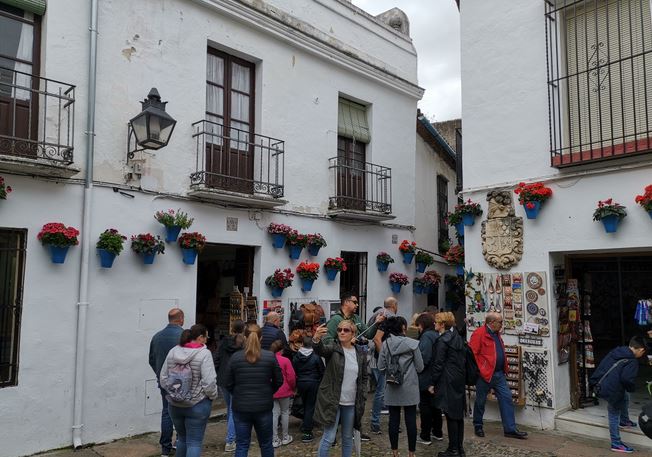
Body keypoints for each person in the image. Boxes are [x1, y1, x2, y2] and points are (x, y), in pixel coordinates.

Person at [225, 323, 283, 457]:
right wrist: (269, 392)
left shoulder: (236, 357)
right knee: (266, 444)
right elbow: (279, 380)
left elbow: (228, 382)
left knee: (242, 445)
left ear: (244, 338)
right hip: (263, 406)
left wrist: (237, 393)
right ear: (261, 338)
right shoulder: (269, 357)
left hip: (241, 406)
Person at [159, 324, 218, 457]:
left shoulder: (173, 351)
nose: (207, 340)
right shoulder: (204, 353)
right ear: (200, 337)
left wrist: (172, 392)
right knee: (194, 442)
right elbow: (209, 382)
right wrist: (212, 396)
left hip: (174, 404)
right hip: (197, 404)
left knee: (182, 439)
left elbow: (163, 377)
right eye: (206, 337)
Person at [313, 320, 369, 457]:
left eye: (346, 330)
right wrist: (316, 338)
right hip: (333, 401)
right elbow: (320, 350)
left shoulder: (359, 354)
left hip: (350, 403)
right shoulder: (333, 348)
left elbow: (363, 377)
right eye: (339, 330)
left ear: (353, 334)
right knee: (329, 437)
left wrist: (363, 394)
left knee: (348, 437)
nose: (342, 332)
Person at [469, 312, 528, 440]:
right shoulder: (479, 333)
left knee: (506, 399)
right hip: (484, 375)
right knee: (480, 401)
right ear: (492, 323)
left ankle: (510, 429)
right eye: (500, 322)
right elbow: (472, 354)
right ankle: (478, 425)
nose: (502, 324)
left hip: (499, 374)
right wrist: (481, 369)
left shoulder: (496, 334)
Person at [589, 335, 647, 453]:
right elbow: (627, 380)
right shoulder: (632, 361)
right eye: (643, 352)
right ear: (641, 350)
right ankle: (616, 443)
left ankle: (624, 421)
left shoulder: (617, 351)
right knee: (614, 413)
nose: (642, 355)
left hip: (602, 384)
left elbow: (603, 366)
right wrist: (632, 388)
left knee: (625, 396)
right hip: (612, 390)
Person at [377, 316, 424, 457]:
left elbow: (380, 367)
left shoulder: (385, 344)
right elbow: (420, 367)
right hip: (410, 386)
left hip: (392, 385)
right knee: (410, 420)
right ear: (403, 328)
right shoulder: (413, 344)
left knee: (393, 420)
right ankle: (411, 453)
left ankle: (395, 452)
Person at [429, 312, 466, 457]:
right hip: (458, 378)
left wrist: (433, 382)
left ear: (442, 324)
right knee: (458, 415)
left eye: (436, 322)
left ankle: (453, 449)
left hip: (447, 379)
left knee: (451, 414)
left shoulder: (443, 340)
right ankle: (459, 448)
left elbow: (438, 363)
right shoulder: (457, 337)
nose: (434, 324)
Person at [149, 308, 185, 457]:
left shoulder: (156, 337)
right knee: (183, 413)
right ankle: (180, 442)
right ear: (180, 318)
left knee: (167, 412)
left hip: (164, 382)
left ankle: (165, 448)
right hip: (182, 382)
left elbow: (151, 359)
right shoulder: (184, 336)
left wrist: (159, 374)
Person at [214, 320, 245, 452]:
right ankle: (230, 440)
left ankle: (232, 436)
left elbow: (217, 359)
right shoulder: (243, 345)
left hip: (223, 380)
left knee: (230, 409)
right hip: (236, 380)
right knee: (234, 410)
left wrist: (218, 374)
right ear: (243, 329)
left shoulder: (223, 342)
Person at [368, 297, 398, 434]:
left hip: (374, 358)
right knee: (382, 391)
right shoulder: (388, 317)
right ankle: (375, 423)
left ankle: (380, 422)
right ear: (394, 305)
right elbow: (377, 339)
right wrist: (384, 358)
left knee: (381, 391)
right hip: (381, 359)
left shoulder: (377, 314)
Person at [415, 312, 443, 445]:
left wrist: (417, 368)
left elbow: (424, 358)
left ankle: (425, 435)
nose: (418, 328)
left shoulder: (426, 336)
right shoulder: (437, 334)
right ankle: (437, 432)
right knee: (436, 406)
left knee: (425, 405)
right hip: (436, 376)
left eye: (418, 325)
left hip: (426, 376)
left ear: (422, 324)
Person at [292, 336, 325, 442]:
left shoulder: (297, 356)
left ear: (302, 344)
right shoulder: (315, 356)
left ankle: (305, 424)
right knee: (310, 406)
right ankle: (307, 431)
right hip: (313, 383)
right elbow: (321, 370)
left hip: (301, 382)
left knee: (305, 404)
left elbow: (294, 370)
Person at [270, 339, 297, 448]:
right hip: (285, 390)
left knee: (274, 413)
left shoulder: (268, 359)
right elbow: (291, 377)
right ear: (281, 350)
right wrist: (293, 388)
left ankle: (274, 438)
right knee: (285, 413)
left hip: (272, 390)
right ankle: (285, 436)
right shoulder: (285, 360)